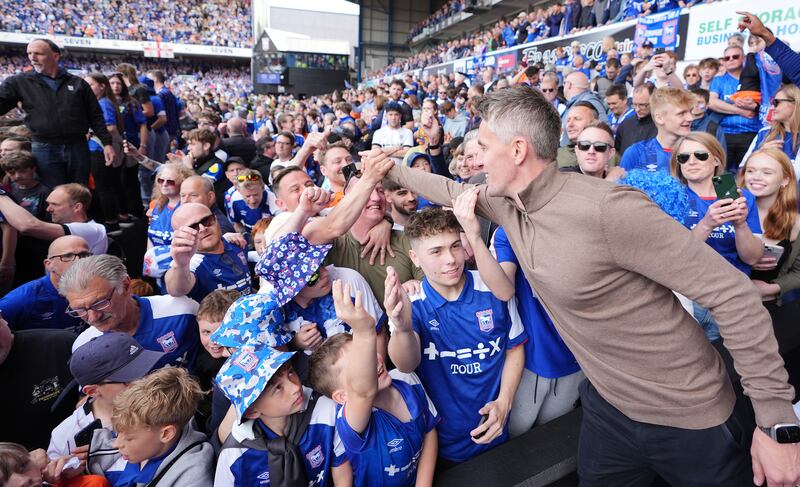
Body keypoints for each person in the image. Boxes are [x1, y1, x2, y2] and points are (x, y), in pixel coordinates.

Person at [382, 85, 800, 486]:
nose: (476, 159)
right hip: (610, 410)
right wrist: (385, 168)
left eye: (485, 147)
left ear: (517, 150)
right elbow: (450, 189)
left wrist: (776, 422)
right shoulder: (510, 205)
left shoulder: (608, 209)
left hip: (690, 417)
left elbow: (733, 294)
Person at [386, 206, 526, 466]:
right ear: (415, 258)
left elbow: (514, 348)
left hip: (498, 428)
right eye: (436, 251)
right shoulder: (410, 302)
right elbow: (406, 364)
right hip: (439, 445)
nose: (450, 259)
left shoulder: (493, 287)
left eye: (455, 246)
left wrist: (504, 402)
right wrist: (402, 328)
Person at [308, 282, 439, 486]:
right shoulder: (349, 420)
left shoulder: (407, 379)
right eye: (360, 364)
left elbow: (430, 430)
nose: (374, 361)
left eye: (368, 353)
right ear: (342, 397)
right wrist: (364, 331)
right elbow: (363, 393)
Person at [215, 341, 351, 486]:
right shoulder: (234, 455)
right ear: (252, 410)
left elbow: (343, 477)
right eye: (278, 388)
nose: (295, 387)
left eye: (290, 372)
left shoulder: (325, 412)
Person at [0, 39, 114, 188]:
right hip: (44, 146)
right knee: (51, 192)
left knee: (79, 190)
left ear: (55, 56)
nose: (32, 57)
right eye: (29, 53)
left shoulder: (78, 83)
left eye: (38, 53)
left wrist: (107, 143)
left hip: (77, 145)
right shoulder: (18, 82)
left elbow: (95, 115)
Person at [64, 255, 200, 369]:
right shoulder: (83, 347)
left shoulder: (182, 311)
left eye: (100, 303)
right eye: (80, 310)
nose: (93, 317)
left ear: (125, 285)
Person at [87, 367, 214, 486]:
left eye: (129, 438)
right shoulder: (147, 438)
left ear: (166, 434)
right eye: (118, 433)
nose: (116, 444)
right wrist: (92, 454)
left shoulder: (192, 478)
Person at [47, 332, 164, 460]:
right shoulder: (66, 437)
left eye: (146, 371)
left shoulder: (164, 397)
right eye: (130, 379)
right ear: (92, 391)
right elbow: (56, 471)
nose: (145, 382)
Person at [739, 148, 800, 306]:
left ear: (785, 180)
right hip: (725, 302)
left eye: (767, 172)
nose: (756, 177)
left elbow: (798, 272)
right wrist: (743, 259)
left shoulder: (796, 223)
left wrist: (771, 289)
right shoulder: (726, 211)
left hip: (769, 305)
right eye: (750, 171)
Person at [0, 235, 90, 332]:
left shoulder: (95, 287)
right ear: (49, 264)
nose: (78, 261)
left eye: (84, 255)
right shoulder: (22, 299)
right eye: (68, 256)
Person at [165, 202, 251, 302]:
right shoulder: (190, 263)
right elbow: (175, 290)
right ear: (181, 236)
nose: (203, 229)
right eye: (193, 228)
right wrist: (180, 265)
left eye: (207, 221)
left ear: (216, 219)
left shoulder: (236, 242)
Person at [0, 183, 108, 254]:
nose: (48, 209)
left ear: (77, 207)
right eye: (48, 204)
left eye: (55, 204)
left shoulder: (93, 229)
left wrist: (2, 195)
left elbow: (28, 226)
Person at [709, 45, 763, 170]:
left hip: (751, 134)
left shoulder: (757, 78)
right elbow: (712, 102)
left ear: (743, 58)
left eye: (735, 56)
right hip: (724, 134)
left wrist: (754, 106)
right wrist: (741, 111)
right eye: (727, 58)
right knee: (721, 173)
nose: (731, 59)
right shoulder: (719, 80)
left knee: (747, 172)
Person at [84, 72, 125, 234]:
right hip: (98, 148)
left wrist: (89, 131)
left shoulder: (103, 103)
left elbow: (111, 127)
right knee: (109, 185)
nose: (87, 87)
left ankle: (111, 222)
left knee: (103, 187)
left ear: (101, 86)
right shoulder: (102, 102)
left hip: (100, 149)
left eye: (90, 84)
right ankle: (115, 217)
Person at [620, 87, 693, 173]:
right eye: (681, 113)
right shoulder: (635, 154)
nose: (690, 118)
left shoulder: (699, 153)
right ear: (659, 118)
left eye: (690, 112)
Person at [742, 84, 800, 171]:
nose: (772, 107)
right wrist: (760, 154)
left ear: (795, 104)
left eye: (776, 103)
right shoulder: (764, 133)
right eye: (772, 103)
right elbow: (741, 172)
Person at [738, 11, 800, 88]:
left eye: (758, 41)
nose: (755, 46)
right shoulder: (750, 59)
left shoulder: (780, 54)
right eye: (751, 43)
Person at [147, 162, 193, 247]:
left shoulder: (188, 209)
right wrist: (149, 255)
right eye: (161, 180)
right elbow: (150, 238)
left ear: (183, 183)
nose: (164, 184)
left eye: (170, 181)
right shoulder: (157, 205)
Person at [0, 150, 50, 220]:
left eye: (22, 171)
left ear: (33, 169)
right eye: (12, 173)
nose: (17, 176)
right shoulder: (8, 188)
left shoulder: (44, 192)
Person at [227, 169, 274, 238]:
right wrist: (245, 236)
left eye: (256, 195)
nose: (252, 201)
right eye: (248, 196)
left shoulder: (273, 200)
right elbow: (237, 223)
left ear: (263, 188)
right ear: (239, 191)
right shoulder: (235, 199)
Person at [615, 83, 657, 154]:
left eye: (642, 105)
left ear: (654, 102)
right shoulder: (625, 125)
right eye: (634, 105)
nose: (637, 109)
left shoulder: (663, 126)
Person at [557, 102, 599, 168]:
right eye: (568, 120)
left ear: (594, 122)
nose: (570, 124)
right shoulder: (555, 156)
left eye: (577, 119)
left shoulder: (606, 154)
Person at [689, 88, 728, 153]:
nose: (696, 105)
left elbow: (721, 154)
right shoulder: (680, 124)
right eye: (692, 101)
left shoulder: (714, 128)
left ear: (707, 106)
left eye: (700, 102)